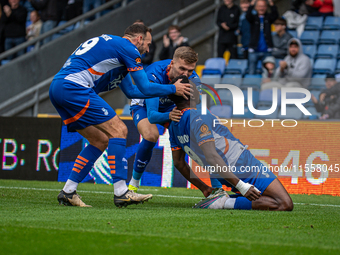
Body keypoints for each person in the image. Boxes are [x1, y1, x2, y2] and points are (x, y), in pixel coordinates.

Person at [49, 24, 192, 208]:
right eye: (147, 44)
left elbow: (132, 91)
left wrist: (164, 91)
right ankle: (122, 192)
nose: (148, 49)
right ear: (138, 39)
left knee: (99, 140)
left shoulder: (115, 54)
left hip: (58, 88)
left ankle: (68, 191)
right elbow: (145, 87)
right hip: (74, 88)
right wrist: (173, 88)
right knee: (119, 130)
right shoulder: (128, 48)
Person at [168, 75, 294, 211]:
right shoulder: (198, 116)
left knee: (271, 201)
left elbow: (178, 163)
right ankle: (224, 203)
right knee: (284, 203)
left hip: (224, 173)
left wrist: (204, 188)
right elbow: (211, 155)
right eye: (195, 88)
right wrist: (241, 185)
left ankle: (222, 200)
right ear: (189, 94)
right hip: (241, 164)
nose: (199, 91)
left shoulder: (174, 125)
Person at [128, 46, 209, 192]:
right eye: (182, 69)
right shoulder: (154, 74)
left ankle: (214, 189)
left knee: (202, 139)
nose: (186, 74)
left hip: (170, 108)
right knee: (151, 135)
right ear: (172, 63)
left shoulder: (193, 78)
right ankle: (134, 183)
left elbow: (195, 107)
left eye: (190, 70)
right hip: (144, 106)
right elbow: (152, 115)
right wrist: (170, 116)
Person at [246, 0, 279, 74]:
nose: (262, 8)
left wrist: (271, 4)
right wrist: (251, 4)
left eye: (263, 6)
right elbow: (247, 15)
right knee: (251, 72)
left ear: (266, 7)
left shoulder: (268, 18)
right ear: (256, 7)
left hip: (267, 51)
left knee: (267, 72)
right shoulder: (253, 18)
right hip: (254, 50)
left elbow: (275, 15)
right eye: (260, 6)